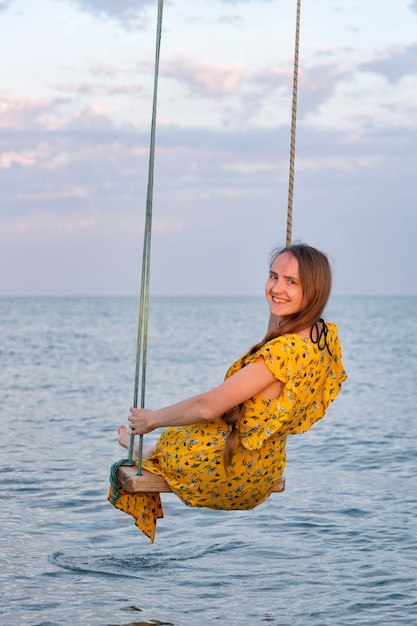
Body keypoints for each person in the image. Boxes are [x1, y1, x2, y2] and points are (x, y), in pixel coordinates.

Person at [109, 243, 347, 541]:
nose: (276, 287)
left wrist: (152, 420)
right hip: (268, 467)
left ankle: (150, 453)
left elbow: (208, 406)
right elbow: (280, 336)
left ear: (315, 289)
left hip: (236, 474)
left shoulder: (284, 353)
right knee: (200, 428)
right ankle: (152, 452)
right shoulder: (324, 336)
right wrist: (285, 302)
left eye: (291, 282)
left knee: (190, 428)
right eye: (273, 276)